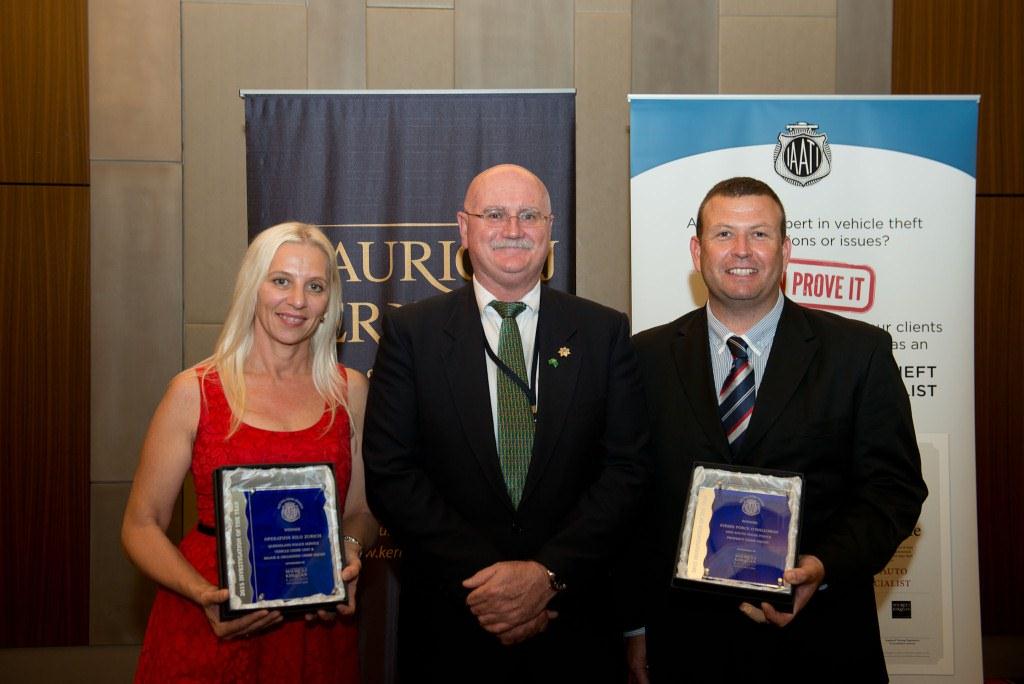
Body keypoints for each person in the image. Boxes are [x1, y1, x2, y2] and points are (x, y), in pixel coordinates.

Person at [627, 177, 928, 683]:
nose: (742, 251)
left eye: (759, 235)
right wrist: (632, 627)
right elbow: (629, 501)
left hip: (821, 644)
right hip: (686, 646)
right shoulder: (643, 359)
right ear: (697, 251)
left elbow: (894, 491)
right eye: (724, 234)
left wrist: (823, 567)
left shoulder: (859, 354)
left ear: (785, 250)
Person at [363, 164, 649, 682]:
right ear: (463, 228)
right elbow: (391, 474)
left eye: (529, 215)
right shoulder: (412, 334)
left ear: (550, 227)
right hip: (453, 625)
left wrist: (547, 574)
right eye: (494, 214)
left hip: (574, 626)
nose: (513, 229)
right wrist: (491, 584)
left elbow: (627, 471)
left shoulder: (603, 332)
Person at [122, 222, 377, 682]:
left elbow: (359, 509)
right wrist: (201, 594)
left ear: (328, 306)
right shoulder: (194, 391)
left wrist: (352, 552)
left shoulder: (349, 391)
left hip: (314, 632)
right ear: (253, 288)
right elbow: (141, 524)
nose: (297, 300)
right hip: (208, 617)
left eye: (314, 286)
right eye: (281, 280)